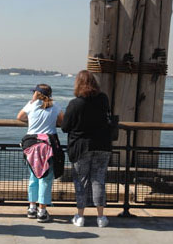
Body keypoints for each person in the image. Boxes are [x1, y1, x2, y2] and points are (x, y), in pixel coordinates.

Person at [61, 70, 112, 228]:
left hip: (81, 147)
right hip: (102, 145)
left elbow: (65, 127)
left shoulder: (75, 104)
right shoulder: (103, 99)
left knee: (81, 182)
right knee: (99, 180)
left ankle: (80, 216)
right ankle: (101, 217)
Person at [17, 84, 64, 223]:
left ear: (37, 93)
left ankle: (31, 208)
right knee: (45, 178)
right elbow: (62, 121)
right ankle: (42, 211)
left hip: (31, 145)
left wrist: (32, 120)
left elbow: (20, 117)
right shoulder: (55, 106)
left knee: (34, 176)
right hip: (48, 145)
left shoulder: (31, 104)